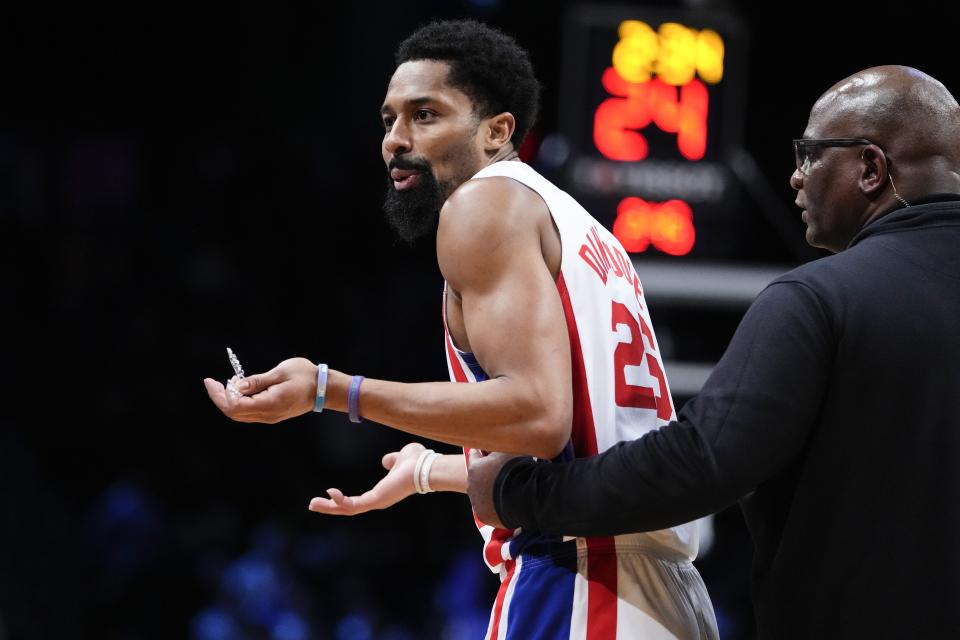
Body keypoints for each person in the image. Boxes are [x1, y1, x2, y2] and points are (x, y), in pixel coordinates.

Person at [204, 19, 718, 640]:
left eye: (425, 116)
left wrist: (329, 389)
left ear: (497, 130)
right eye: (389, 120)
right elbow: (590, 436)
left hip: (584, 583)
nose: (396, 139)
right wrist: (430, 470)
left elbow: (537, 413)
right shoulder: (581, 225)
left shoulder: (483, 203)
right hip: (660, 590)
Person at [467, 65, 960, 638]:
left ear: (871, 168)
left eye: (810, 155)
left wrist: (522, 494)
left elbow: (699, 463)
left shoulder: (820, 299)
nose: (796, 179)